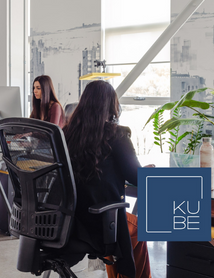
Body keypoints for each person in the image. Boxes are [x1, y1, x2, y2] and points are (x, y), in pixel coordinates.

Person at [63, 80, 151, 278]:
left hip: (70, 222)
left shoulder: (66, 134)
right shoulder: (116, 135)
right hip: (99, 223)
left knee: (126, 231)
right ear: (112, 105)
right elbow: (136, 177)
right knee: (137, 229)